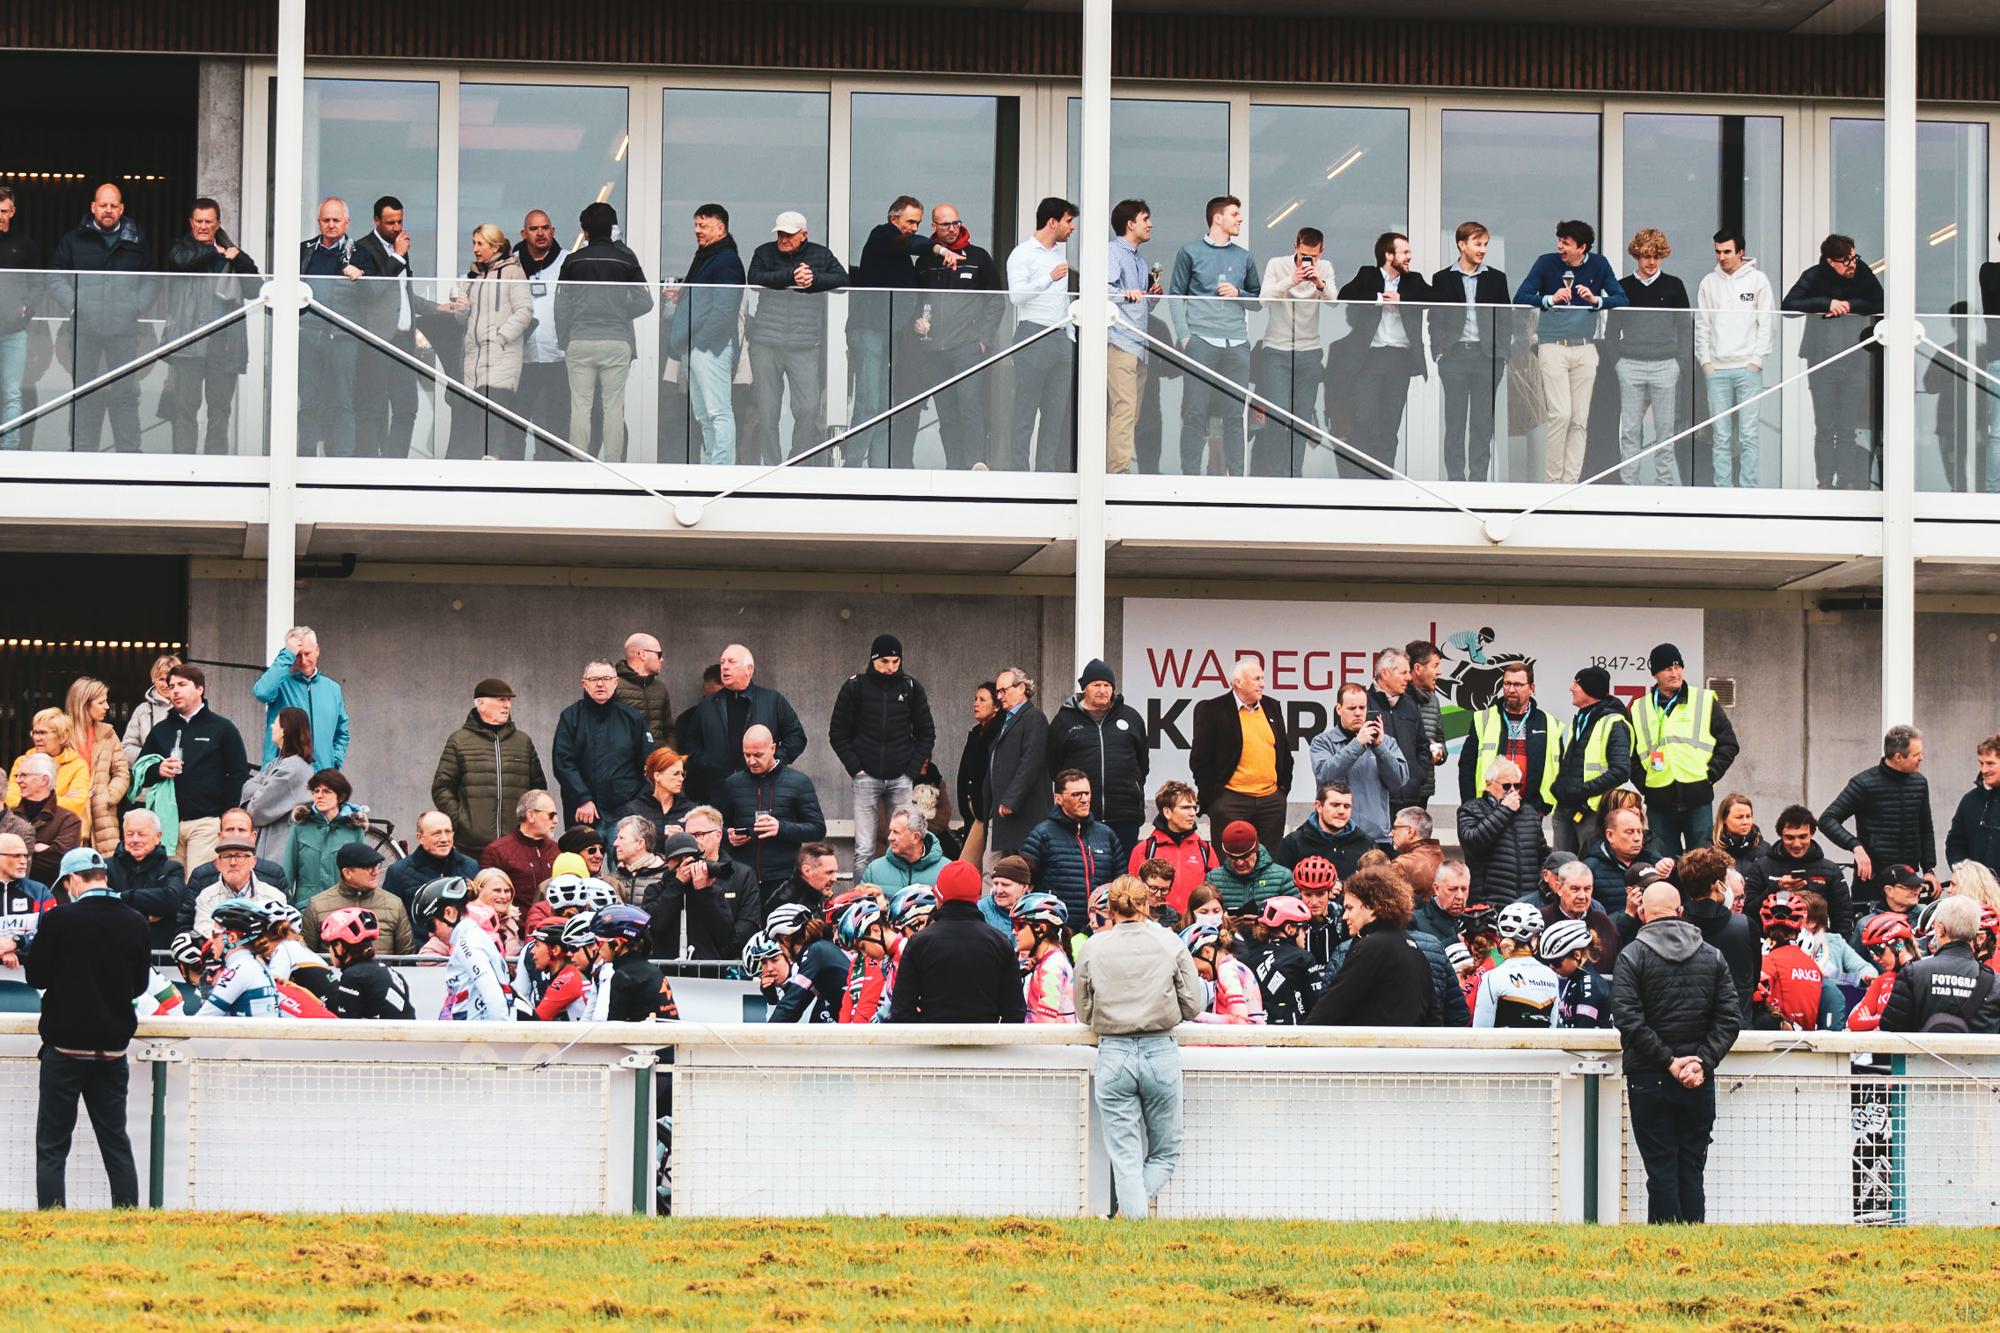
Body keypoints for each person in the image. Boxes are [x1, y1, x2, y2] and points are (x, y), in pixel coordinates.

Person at [1613, 882, 1742, 1224]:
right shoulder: (1712, 955)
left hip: (1648, 1076)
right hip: (1698, 1079)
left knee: (1660, 1167)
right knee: (1691, 1166)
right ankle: (1692, 1240)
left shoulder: (1632, 956)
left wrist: (1669, 1062)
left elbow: (1628, 1019)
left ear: (1643, 915)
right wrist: (1702, 1061)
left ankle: (1665, 1243)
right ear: (1681, 912)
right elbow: (1729, 1018)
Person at [26, 847, 148, 1208]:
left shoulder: (60, 919)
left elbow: (37, 974)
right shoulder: (136, 920)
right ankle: (127, 1217)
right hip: (112, 1050)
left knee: (52, 1145)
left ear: (73, 880)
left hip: (64, 1048)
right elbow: (139, 985)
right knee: (116, 1141)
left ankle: (51, 1218)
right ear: (103, 877)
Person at [1075, 873, 1203, 1217]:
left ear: (1111, 908)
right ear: (1146, 904)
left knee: (1125, 1156)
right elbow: (1193, 1005)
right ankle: (1130, 1220)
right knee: (1165, 1152)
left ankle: (1126, 1218)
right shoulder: (1170, 942)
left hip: (1113, 1054)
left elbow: (1084, 1012)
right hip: (1160, 1050)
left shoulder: (1092, 947)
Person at [1513, 220, 1629, 484]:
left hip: (1585, 348)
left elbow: (1621, 298)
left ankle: (1570, 483)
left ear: (1582, 247)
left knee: (1579, 419)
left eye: (1565, 243)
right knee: (1561, 414)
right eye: (1560, 241)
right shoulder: (1546, 263)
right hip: (1553, 346)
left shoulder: (1598, 265)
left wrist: (1596, 300)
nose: (1559, 247)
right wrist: (1548, 299)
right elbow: (1520, 297)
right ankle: (1553, 484)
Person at [47, 183, 153, 452]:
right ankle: (82, 457)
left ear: (121, 209)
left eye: (113, 205)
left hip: (124, 331)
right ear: (93, 207)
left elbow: (152, 278)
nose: (108, 210)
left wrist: (135, 308)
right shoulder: (73, 240)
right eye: (103, 205)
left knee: (126, 395)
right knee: (83, 394)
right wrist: (76, 306)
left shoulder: (137, 240)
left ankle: (129, 459)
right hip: (85, 330)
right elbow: (55, 275)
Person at [745, 209, 848, 465]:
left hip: (804, 345)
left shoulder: (820, 254)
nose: (783, 239)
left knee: (808, 408)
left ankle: (796, 462)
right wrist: (791, 277)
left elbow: (843, 281)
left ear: (804, 235)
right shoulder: (764, 252)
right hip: (765, 343)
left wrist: (813, 280)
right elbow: (754, 278)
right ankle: (771, 465)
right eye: (780, 233)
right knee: (767, 411)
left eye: (789, 234)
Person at [1166, 195, 1260, 476]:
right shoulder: (1190, 252)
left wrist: (1238, 293)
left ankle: (1235, 481)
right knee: (1195, 413)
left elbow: (1256, 301)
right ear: (1217, 218)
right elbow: (1175, 296)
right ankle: (1190, 478)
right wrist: (1185, 337)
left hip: (1236, 344)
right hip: (1201, 341)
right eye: (1234, 214)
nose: (1240, 219)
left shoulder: (1244, 256)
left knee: (1234, 416)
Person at [829, 634, 936, 876]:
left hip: (901, 777)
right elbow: (837, 733)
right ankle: (861, 905)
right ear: (873, 660)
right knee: (864, 848)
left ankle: (899, 901)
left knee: (903, 844)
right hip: (866, 776)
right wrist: (856, 768)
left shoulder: (911, 687)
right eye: (884, 661)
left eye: (895, 662)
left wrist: (911, 770)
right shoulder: (855, 686)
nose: (890, 668)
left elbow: (926, 733)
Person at [1782, 233, 1883, 490]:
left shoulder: (1861, 272)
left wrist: (1848, 305)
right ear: (1830, 262)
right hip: (1822, 361)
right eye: (1846, 260)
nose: (1852, 263)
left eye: (1854, 257)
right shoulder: (1814, 276)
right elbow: (1789, 306)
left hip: (1856, 360)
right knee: (1825, 427)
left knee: (1847, 428)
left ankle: (1847, 481)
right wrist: (1827, 303)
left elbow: (1880, 302)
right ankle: (1825, 482)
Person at [554, 201, 654, 461]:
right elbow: (646, 301)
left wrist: (565, 338)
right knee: (613, 408)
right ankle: (613, 468)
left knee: (580, 407)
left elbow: (561, 305)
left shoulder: (572, 261)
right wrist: (618, 313)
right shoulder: (626, 258)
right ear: (612, 229)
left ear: (584, 232)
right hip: (616, 340)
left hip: (580, 340)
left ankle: (579, 465)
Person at [161, 196, 258, 455]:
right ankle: (185, 468)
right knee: (184, 410)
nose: (203, 226)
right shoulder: (180, 248)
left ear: (218, 225)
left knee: (220, 411)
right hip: (188, 341)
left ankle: (216, 470)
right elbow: (181, 262)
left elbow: (255, 288)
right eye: (199, 221)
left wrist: (239, 259)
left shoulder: (232, 251)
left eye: (209, 222)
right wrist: (214, 251)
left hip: (223, 343)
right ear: (190, 223)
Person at [910, 201, 1004, 469]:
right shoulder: (925, 260)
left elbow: (996, 302)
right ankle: (954, 468)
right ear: (934, 226)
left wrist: (983, 339)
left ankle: (976, 463)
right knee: (947, 414)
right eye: (945, 224)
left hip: (968, 347)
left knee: (971, 408)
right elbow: (917, 302)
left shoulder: (978, 257)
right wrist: (918, 322)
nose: (952, 229)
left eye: (956, 223)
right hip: (933, 350)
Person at [131, 663, 247, 877]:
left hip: (206, 822)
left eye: (182, 684)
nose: (175, 690)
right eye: (172, 685)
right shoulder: (161, 730)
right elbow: (139, 773)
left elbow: (238, 773)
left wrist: (225, 816)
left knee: (198, 885)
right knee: (171, 889)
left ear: (199, 689)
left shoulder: (222, 728)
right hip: (167, 823)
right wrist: (158, 769)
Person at [1333, 232, 1433, 479]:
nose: (1410, 257)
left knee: (1390, 424)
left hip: (1400, 360)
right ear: (1389, 255)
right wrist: (1379, 299)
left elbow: (1439, 298)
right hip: (1371, 359)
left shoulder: (1413, 281)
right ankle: (1362, 478)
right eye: (1405, 252)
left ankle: (1383, 478)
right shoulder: (1368, 274)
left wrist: (1403, 300)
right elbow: (1345, 294)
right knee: (1364, 420)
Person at [846, 194, 931, 468]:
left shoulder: (899, 252)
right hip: (868, 330)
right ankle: (852, 466)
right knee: (869, 403)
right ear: (893, 219)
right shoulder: (882, 235)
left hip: (887, 333)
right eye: (910, 221)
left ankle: (880, 470)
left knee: (885, 407)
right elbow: (911, 243)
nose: (914, 227)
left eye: (918, 223)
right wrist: (940, 250)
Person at [1629, 643, 1739, 854]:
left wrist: (1709, 776)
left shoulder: (1704, 700)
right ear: (1655, 674)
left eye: (1678, 667)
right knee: (1663, 862)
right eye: (1667, 669)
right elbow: (1630, 755)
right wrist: (1645, 784)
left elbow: (1729, 744)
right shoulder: (1639, 707)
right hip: (1658, 799)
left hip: (1697, 796)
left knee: (1702, 861)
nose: (1674, 673)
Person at [887, 862, 1025, 1022]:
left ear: (939, 898)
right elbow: (1015, 1012)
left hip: (932, 1041)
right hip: (985, 1043)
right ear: (976, 897)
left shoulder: (919, 943)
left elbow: (901, 1011)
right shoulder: (1000, 943)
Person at [1428, 221, 1511, 483]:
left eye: (1485, 244)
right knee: (1454, 423)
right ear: (1461, 245)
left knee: (1482, 424)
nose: (1483, 249)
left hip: (1487, 357)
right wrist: (1439, 352)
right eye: (1478, 244)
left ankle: (1478, 482)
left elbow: (1505, 318)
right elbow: (1435, 318)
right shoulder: (1442, 278)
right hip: (1453, 357)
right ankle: (1455, 481)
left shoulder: (1496, 278)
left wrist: (1503, 352)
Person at [1820, 723, 1938, 905]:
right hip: (1872, 881)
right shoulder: (1864, 783)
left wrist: (1929, 870)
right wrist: (1856, 847)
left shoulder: (1919, 783)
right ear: (1898, 757)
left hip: (1908, 880)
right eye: (1916, 755)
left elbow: (1925, 829)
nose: (1921, 758)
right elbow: (1827, 819)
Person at [1694, 228, 1776, 488]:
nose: (1722, 257)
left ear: (1740, 252)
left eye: (1727, 251)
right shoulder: (1708, 282)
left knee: (1749, 434)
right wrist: (1705, 362)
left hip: (1747, 369)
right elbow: (1702, 325)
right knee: (1721, 435)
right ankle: (1723, 491)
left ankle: (1748, 490)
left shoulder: (1758, 280)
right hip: (1716, 370)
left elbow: (1766, 322)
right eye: (1717, 252)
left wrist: (1757, 361)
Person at [1306, 865, 1438, 1026]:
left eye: (1349, 908)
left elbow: (1334, 1004)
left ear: (1372, 907)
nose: (1344, 916)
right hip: (1410, 1047)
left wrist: (1301, 1040)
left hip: (1377, 1047)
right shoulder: (1411, 946)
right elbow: (1433, 1013)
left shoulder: (1372, 946)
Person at [665, 203, 745, 465]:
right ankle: (711, 466)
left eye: (703, 225)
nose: (696, 230)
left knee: (717, 412)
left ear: (721, 228)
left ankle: (721, 470)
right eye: (696, 225)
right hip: (698, 347)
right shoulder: (708, 257)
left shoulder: (726, 260)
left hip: (711, 348)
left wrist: (703, 344)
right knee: (703, 415)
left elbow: (725, 308)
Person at [295, 197, 375, 457]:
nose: (330, 225)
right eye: (326, 220)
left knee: (343, 400)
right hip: (308, 334)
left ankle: (340, 461)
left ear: (347, 222)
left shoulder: (360, 253)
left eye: (336, 220)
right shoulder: (304, 250)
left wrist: (361, 278)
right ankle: (304, 459)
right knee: (308, 400)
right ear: (319, 222)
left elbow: (374, 295)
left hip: (343, 337)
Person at [1612, 227, 1691, 486]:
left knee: (1665, 432)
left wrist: (1679, 363)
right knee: (1630, 431)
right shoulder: (1622, 287)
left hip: (1665, 365)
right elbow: (1612, 328)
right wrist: (1618, 362)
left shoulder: (1674, 286)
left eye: (1656, 256)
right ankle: (1629, 487)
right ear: (1637, 255)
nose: (1651, 262)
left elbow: (1684, 326)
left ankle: (1664, 487)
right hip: (1631, 364)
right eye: (1646, 256)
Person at [432, 677, 547, 855]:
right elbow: (441, 788)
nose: (507, 705)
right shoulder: (459, 741)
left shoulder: (522, 742)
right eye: (501, 700)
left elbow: (538, 790)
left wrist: (528, 825)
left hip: (518, 844)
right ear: (481, 704)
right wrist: (462, 822)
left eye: (509, 700)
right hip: (472, 847)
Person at [1189, 657, 1294, 851]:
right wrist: (1216, 800)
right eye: (1256, 679)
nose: (1262, 684)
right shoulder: (1213, 709)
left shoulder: (1272, 706)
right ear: (1238, 682)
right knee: (1229, 862)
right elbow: (1199, 759)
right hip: (1231, 802)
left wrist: (1282, 791)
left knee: (1267, 863)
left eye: (1262, 678)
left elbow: (1284, 753)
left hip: (1271, 802)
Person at [1047, 659, 1149, 854]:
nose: (1102, 690)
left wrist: (1132, 785)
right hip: (1079, 814)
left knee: (1122, 875)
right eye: (1096, 685)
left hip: (1124, 813)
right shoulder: (1064, 720)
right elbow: (1054, 766)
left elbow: (1142, 763)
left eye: (1107, 685)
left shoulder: (1130, 717)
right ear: (1085, 688)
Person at [680, 644, 807, 800]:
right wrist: (706, 762)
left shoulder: (772, 700)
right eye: (722, 662)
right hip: (717, 791)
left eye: (731, 662)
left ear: (749, 669)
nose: (725, 667)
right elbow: (691, 742)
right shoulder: (708, 704)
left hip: (761, 790)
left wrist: (772, 761)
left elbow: (796, 737)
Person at [1006, 197, 1078, 471]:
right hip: (1033, 334)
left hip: (1061, 337)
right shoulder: (1022, 253)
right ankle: (1019, 473)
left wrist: (1069, 333)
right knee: (1025, 410)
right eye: (1068, 221)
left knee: (1055, 414)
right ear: (1052, 222)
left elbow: (1063, 301)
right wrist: (1048, 277)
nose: (1072, 228)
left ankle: (1046, 472)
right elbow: (1016, 296)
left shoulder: (1060, 256)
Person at [719, 725, 827, 908]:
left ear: (773, 748)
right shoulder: (733, 784)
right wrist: (728, 836)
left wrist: (781, 828)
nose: (751, 761)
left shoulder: (798, 782)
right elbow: (716, 828)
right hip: (743, 877)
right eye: (746, 755)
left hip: (784, 878)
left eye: (758, 755)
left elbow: (817, 829)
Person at [350, 196, 418, 460]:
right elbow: (371, 291)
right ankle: (368, 463)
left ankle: (395, 462)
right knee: (371, 406)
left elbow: (401, 293)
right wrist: (398, 257)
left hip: (403, 339)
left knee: (407, 407)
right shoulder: (362, 249)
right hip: (376, 341)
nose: (397, 228)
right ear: (376, 221)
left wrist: (437, 308)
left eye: (400, 221)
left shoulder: (400, 247)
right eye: (390, 222)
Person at [551, 659, 652, 829]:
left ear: (615, 682)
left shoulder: (632, 717)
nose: (600, 684)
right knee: (583, 856)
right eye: (594, 680)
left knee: (623, 855)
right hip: (583, 811)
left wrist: (637, 803)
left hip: (625, 811)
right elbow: (563, 764)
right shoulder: (570, 717)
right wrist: (583, 798)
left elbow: (649, 763)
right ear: (584, 684)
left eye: (606, 679)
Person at [1309, 683, 1408, 848]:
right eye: (1351, 708)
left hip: (1376, 836)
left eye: (1362, 707)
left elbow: (1399, 781)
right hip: (1335, 834)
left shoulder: (1386, 742)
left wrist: (1379, 747)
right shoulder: (1322, 742)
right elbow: (1324, 776)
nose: (1358, 713)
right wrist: (1357, 744)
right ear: (1339, 709)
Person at [1019, 770, 1125, 922]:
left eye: (1087, 793)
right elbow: (1025, 886)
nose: (1084, 799)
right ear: (1058, 799)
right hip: (1059, 929)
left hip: (1100, 927)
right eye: (1076, 794)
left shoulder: (1106, 835)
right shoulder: (1041, 835)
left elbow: (1121, 883)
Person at [1457, 659, 1556, 817]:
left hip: (1530, 809)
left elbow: (1556, 767)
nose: (1511, 689)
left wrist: (1543, 807)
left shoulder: (1547, 722)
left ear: (1531, 688)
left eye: (1518, 685)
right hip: (1488, 807)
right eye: (1507, 684)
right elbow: (1467, 765)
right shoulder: (1484, 718)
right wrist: (1470, 805)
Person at [1551, 666, 1633, 853]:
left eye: (1576, 684)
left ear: (1591, 689)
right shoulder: (1578, 720)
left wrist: (1582, 791)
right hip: (1564, 807)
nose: (1571, 688)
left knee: (1589, 868)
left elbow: (1620, 771)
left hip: (1591, 812)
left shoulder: (1614, 722)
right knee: (1560, 870)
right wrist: (1558, 788)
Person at [1105, 198, 1161, 476]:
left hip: (1139, 345)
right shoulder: (1113, 252)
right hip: (1120, 342)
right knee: (1124, 410)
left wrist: (1150, 298)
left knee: (1130, 413)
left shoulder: (1140, 259)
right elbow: (1104, 290)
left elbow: (1136, 302)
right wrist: (1128, 294)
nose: (1150, 224)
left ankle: (1112, 469)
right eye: (1145, 218)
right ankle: (1117, 475)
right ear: (1130, 224)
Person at [1882, 896, 1992, 1032]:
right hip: (1977, 1053)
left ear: (1940, 929)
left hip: (1921, 1053)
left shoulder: (1913, 974)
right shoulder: (1994, 982)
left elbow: (1891, 1031)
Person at [250, 625, 349, 771]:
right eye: (297, 655)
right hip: (282, 777)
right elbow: (262, 692)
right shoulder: (281, 683)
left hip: (321, 778)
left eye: (307, 654)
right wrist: (287, 655)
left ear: (317, 650)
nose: (303, 661)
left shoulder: (333, 689)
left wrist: (334, 762)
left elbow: (342, 731)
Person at [1675, 844, 1755, 1024]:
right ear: (1718, 886)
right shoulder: (1745, 926)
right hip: (1737, 1028)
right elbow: (1752, 979)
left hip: (1688, 1029)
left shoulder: (1675, 927)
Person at [1741, 804, 1851, 933]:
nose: (1797, 844)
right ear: (1780, 835)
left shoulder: (1831, 870)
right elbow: (1748, 911)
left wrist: (1834, 948)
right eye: (1790, 837)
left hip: (1817, 945)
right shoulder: (1761, 867)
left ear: (1812, 833)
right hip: (1772, 944)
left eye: (1803, 837)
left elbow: (1843, 918)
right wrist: (1776, 889)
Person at [1458, 759, 1548, 912]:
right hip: (1490, 904)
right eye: (1506, 786)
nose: (1512, 790)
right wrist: (1504, 810)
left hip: (1528, 904)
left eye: (1517, 785)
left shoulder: (1529, 813)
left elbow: (1543, 854)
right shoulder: (1471, 809)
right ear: (1488, 784)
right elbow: (1472, 843)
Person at [511, 209, 566, 456]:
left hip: (557, 357)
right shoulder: (510, 264)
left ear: (553, 231)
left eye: (545, 227)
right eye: (534, 229)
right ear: (524, 234)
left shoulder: (568, 261)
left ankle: (553, 479)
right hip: (519, 358)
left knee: (556, 424)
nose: (540, 233)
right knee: (515, 423)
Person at [984, 666, 1052, 867]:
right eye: (997, 692)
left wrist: (1011, 799)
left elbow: (1031, 761)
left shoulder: (1033, 717)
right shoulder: (1009, 719)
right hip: (1005, 812)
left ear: (1021, 688)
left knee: (1025, 868)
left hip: (1024, 812)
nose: (1000, 696)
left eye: (1004, 691)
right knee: (996, 867)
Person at [301, 842, 413, 956]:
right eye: (369, 868)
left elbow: (406, 956)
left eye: (377, 866)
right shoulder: (318, 906)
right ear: (347, 873)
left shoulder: (394, 904)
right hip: (335, 973)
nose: (375, 872)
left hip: (383, 973)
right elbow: (306, 957)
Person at [677, 806, 762, 956]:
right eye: (688, 836)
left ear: (717, 835)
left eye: (698, 834)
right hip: (682, 961)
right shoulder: (677, 873)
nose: (692, 841)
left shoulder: (742, 874)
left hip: (724, 964)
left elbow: (747, 925)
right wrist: (677, 883)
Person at [639, 831, 734, 961]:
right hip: (667, 969)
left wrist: (705, 892)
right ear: (667, 863)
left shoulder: (714, 892)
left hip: (705, 971)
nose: (685, 864)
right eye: (678, 859)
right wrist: (677, 884)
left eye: (690, 857)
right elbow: (654, 926)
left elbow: (726, 935)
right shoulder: (655, 890)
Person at [1125, 781, 1216, 915]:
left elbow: (1214, 893)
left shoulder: (1205, 849)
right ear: (1167, 812)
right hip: (1157, 926)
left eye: (1194, 807)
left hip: (1193, 926)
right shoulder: (1145, 849)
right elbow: (1132, 894)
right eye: (1185, 808)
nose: (1193, 814)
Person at [282, 768, 369, 904]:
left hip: (343, 909)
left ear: (340, 797)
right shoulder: (300, 827)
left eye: (326, 791)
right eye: (316, 791)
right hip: (306, 908)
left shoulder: (354, 829)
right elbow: (288, 872)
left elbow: (362, 876)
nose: (319, 795)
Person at [241, 706, 314, 863]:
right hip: (271, 845)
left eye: (276, 723)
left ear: (284, 731)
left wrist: (261, 789)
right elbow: (247, 787)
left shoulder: (292, 768)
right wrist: (263, 789)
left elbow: (257, 808)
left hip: (279, 848)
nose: (272, 727)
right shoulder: (277, 763)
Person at [1366, 648, 1433, 818]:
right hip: (1375, 801)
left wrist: (1416, 776)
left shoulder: (1410, 705)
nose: (1409, 678)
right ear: (1385, 673)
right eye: (1403, 673)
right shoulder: (1364, 704)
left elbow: (1423, 746)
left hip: (1409, 802)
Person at [106, 809, 183, 949]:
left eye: (142, 834)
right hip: (114, 946)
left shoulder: (172, 868)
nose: (135, 840)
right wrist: (147, 913)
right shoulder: (105, 867)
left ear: (158, 836)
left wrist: (122, 896)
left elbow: (172, 900)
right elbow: (101, 905)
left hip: (157, 949)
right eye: (130, 834)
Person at [1472, 902, 1558, 1028]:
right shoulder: (1551, 975)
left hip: (1504, 1046)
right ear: (1534, 941)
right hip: (1543, 1047)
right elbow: (1553, 1028)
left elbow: (1480, 1032)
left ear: (1500, 938)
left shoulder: (1492, 977)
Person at [321, 908, 415, 1019]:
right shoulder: (386, 970)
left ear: (339, 946)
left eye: (330, 945)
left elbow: (346, 1025)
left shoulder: (353, 976)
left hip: (386, 1034)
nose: (329, 951)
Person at [1751, 890, 1825, 1031]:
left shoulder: (1768, 961)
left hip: (1776, 1040)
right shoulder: (1814, 967)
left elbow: (1756, 997)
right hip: (1807, 1043)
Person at [382, 810, 479, 916]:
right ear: (420, 838)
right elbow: (388, 919)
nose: (444, 839)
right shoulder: (398, 872)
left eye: (448, 832)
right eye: (436, 833)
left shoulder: (471, 866)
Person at [197, 897, 282, 1017]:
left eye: (215, 933)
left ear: (231, 938)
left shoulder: (239, 970)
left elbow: (201, 1021)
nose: (211, 940)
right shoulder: (253, 965)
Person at [187, 838, 289, 937]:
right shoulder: (206, 897)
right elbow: (207, 935)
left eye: (239, 856)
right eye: (226, 856)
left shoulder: (274, 896)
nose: (233, 863)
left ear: (252, 862)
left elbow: (278, 936)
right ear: (217, 864)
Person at [1584, 806, 1674, 917]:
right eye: (1629, 832)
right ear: (1610, 835)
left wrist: (1672, 868)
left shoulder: (1653, 861)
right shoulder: (1590, 870)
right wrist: (1627, 914)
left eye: (1640, 832)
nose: (1637, 838)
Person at [0, 186, 38, 449]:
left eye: (3, 211)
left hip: (13, 332)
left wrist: (27, 308)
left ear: (12, 211)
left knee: (12, 394)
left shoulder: (25, 245)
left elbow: (39, 283)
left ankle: (9, 453)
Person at [479, 790, 562, 908]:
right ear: (531, 815)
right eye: (551, 815)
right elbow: (487, 899)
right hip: (515, 924)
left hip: (553, 923)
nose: (556, 820)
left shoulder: (557, 849)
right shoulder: (496, 852)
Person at [1275, 780, 1371, 882]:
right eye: (1335, 805)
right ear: (1319, 807)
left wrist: (1345, 889)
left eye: (1346, 806)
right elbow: (1281, 886)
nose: (1342, 811)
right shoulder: (1293, 843)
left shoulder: (1366, 844)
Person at [7, 754, 81, 887]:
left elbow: (61, 862)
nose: (18, 780)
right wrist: (34, 848)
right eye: (17, 776)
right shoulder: (8, 816)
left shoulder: (69, 820)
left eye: (24, 775)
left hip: (50, 897)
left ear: (44, 780)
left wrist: (11, 855)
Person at [8, 709, 90, 827]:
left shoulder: (78, 766)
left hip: (63, 831)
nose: (37, 738)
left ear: (62, 737)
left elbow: (75, 805)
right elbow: (11, 799)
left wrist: (31, 799)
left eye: (43, 733)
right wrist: (57, 799)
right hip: (25, 829)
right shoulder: (22, 762)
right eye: (35, 732)